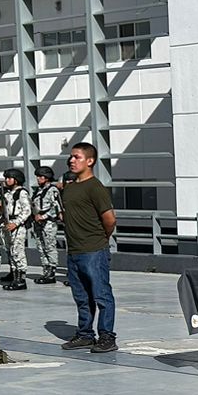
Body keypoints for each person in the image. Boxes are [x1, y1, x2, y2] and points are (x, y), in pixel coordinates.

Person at [60, 142, 118, 354]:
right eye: (71, 157)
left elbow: (110, 219)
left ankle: (107, 337)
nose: (72, 161)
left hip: (93, 250)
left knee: (101, 295)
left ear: (90, 161)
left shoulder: (95, 187)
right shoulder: (70, 188)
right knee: (81, 296)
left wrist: (101, 239)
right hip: (74, 251)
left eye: (77, 157)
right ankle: (85, 334)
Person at [0, 168, 32, 290]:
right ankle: (14, 275)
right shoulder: (8, 193)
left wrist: (17, 223)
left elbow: (27, 210)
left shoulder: (21, 193)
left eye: (9, 178)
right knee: (11, 251)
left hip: (16, 225)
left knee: (18, 251)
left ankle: (21, 279)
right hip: (7, 223)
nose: (7, 180)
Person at [31, 165, 62, 283]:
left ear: (47, 177)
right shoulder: (39, 190)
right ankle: (46, 270)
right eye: (38, 176)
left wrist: (43, 216)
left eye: (41, 176)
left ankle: (52, 272)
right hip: (38, 222)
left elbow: (56, 207)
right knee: (41, 247)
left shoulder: (52, 190)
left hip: (48, 223)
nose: (38, 179)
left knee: (50, 247)